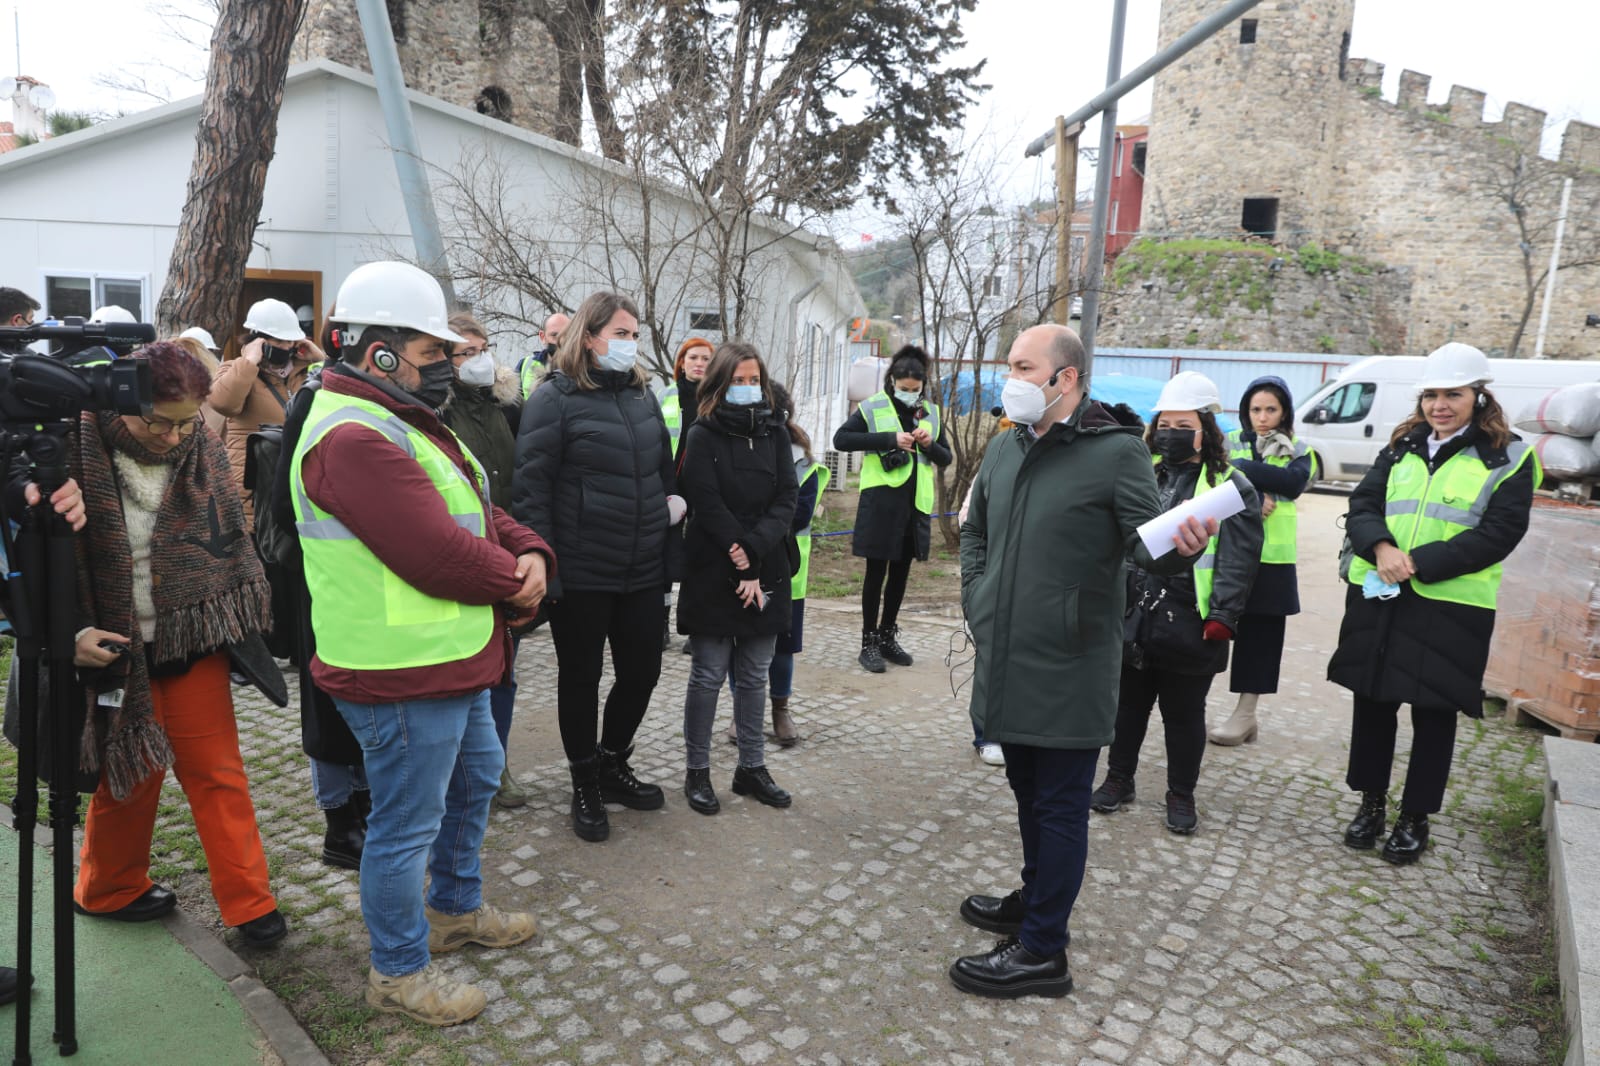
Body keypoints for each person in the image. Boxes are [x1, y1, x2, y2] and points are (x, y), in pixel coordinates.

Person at [291, 261, 550, 1025]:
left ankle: (455, 911)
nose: (444, 364)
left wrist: (530, 549)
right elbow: (434, 551)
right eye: (430, 351)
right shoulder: (352, 436)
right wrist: (518, 581)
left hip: (452, 661)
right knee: (405, 828)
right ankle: (399, 970)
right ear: (377, 350)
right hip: (397, 672)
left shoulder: (402, 419)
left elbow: (479, 507)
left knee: (474, 784)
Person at [952, 324, 1216, 999]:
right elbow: (976, 525)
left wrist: (1183, 546)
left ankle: (1044, 951)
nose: (1010, 378)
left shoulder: (1116, 453)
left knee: (1061, 804)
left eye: (1021, 366)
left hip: (1070, 659)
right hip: (1006, 651)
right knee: (1025, 791)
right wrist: (979, 594)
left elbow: (1143, 544)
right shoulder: (1010, 445)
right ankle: (1035, 899)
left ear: (1063, 379)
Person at [66, 341, 287, 947]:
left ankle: (251, 904)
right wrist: (70, 635)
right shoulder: (74, 449)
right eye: (159, 422)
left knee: (218, 774)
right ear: (121, 401)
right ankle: (107, 887)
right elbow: (39, 564)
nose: (173, 437)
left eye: (186, 422)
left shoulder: (201, 445)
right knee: (129, 773)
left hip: (192, 644)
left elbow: (232, 541)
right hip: (113, 648)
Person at [1329, 343, 1537, 865]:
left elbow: (1500, 534)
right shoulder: (1403, 445)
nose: (1439, 405)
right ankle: (1372, 804)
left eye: (1453, 394)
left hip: (1449, 606)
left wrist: (1416, 562)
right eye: (1431, 395)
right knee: (1374, 703)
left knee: (1435, 712)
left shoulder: (1510, 456)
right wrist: (1380, 548)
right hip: (1382, 592)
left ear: (1479, 396)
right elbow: (1363, 503)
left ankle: (1414, 817)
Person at [513, 291, 682, 843]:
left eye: (635, 335)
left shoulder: (642, 395)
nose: (631, 344)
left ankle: (613, 763)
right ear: (589, 337)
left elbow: (662, 471)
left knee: (643, 672)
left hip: (641, 565)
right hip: (582, 571)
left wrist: (669, 528)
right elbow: (532, 491)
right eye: (622, 334)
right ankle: (584, 780)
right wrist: (547, 570)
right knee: (581, 679)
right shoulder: (553, 398)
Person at [1091, 372, 1262, 835]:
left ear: (1205, 428)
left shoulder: (1229, 487)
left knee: (1183, 715)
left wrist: (1224, 616)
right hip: (1134, 612)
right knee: (1127, 706)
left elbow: (1239, 558)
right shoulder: (1140, 472)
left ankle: (1181, 794)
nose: (1170, 432)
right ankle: (1118, 779)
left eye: (1182, 423)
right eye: (1163, 423)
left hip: (1192, 620)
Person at [676, 343, 798, 814]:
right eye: (738, 381)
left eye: (754, 381)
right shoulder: (701, 433)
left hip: (767, 565)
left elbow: (786, 498)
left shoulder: (774, 432)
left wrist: (755, 557)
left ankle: (751, 767)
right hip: (714, 567)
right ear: (719, 384)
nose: (748, 389)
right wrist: (741, 562)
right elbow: (705, 503)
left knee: (753, 675)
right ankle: (697, 772)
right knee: (708, 674)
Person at [439, 311, 530, 809]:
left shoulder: (507, 406)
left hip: (505, 553)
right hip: (461, 557)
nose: (478, 360)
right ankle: (458, 771)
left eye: (483, 349)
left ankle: (497, 767)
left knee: (504, 669)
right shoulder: (436, 413)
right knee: (462, 670)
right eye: (464, 353)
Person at [1210, 376, 1316, 746]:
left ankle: (1245, 714)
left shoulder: (1301, 449)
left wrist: (1242, 473)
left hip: (1273, 561)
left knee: (1260, 641)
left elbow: (1293, 483)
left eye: (1271, 409)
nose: (1263, 417)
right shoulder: (1227, 442)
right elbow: (1213, 478)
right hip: (1228, 556)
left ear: (1284, 411)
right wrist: (1251, 491)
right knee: (1209, 628)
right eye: (1256, 409)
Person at [831, 345, 951, 673]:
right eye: (904, 388)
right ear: (892, 381)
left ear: (924, 385)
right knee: (875, 573)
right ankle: (868, 642)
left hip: (915, 506)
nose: (911, 394)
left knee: (900, 574)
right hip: (881, 503)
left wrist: (929, 443)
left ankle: (887, 637)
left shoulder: (931, 412)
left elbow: (946, 458)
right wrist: (888, 439)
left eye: (916, 390)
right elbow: (841, 440)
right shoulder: (873, 407)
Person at [723, 382, 827, 748]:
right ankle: (740, 713)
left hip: (786, 573)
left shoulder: (803, 461)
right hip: (743, 566)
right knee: (743, 641)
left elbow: (796, 514)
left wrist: (756, 534)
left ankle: (780, 708)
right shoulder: (737, 451)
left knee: (783, 647)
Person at [207, 298, 325, 531]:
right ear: (257, 339)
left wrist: (319, 358)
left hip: (293, 481)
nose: (286, 346)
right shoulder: (237, 369)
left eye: (291, 340)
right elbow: (222, 402)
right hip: (251, 491)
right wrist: (249, 361)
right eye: (278, 340)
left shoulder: (306, 373)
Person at [661, 336, 715, 650]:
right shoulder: (665, 395)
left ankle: (696, 627)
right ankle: (660, 624)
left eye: (706, 359)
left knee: (700, 555)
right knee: (665, 557)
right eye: (693, 357)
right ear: (682, 362)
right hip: (669, 485)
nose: (699, 364)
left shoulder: (719, 398)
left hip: (705, 487)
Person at [518, 311, 570, 400]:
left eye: (567, 334)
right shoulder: (525, 365)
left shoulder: (586, 368)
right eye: (555, 335)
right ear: (542, 337)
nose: (562, 341)